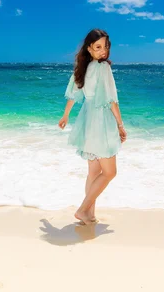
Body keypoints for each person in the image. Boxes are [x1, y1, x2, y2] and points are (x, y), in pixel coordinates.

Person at [58, 29, 127, 225]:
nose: (103, 51)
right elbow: (112, 100)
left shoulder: (82, 67)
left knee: (94, 172)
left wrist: (65, 116)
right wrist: (120, 126)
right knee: (110, 172)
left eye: (105, 47)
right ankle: (82, 209)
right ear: (89, 48)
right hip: (101, 121)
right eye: (98, 47)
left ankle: (89, 214)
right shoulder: (103, 68)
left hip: (86, 120)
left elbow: (74, 94)